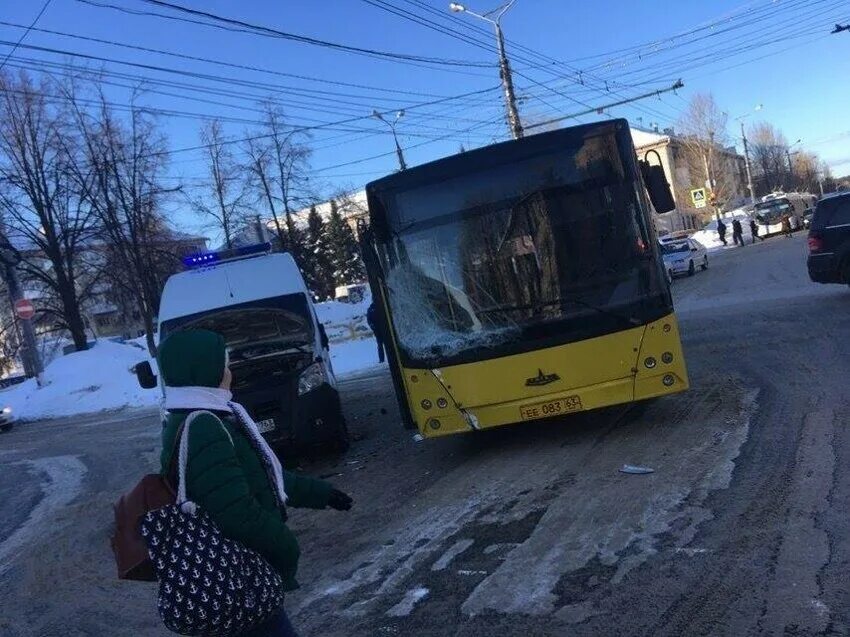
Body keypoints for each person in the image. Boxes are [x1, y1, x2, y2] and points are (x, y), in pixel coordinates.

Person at [157, 329, 353, 637]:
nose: (229, 372)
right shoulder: (204, 427)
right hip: (236, 578)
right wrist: (285, 546)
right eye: (223, 364)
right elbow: (237, 515)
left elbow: (263, 477)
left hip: (237, 578)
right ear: (203, 370)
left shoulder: (204, 417)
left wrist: (322, 494)